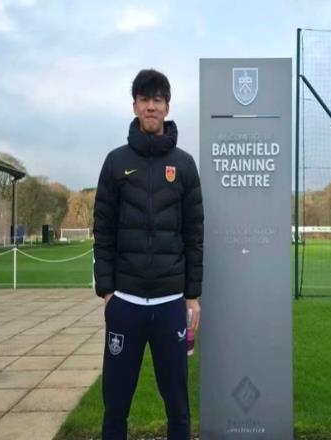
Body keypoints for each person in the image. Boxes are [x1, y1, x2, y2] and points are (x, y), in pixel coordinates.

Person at [93, 68, 204, 440]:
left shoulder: (184, 165)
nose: (151, 107)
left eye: (158, 100)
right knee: (115, 406)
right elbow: (103, 231)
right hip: (125, 303)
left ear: (167, 107)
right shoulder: (115, 162)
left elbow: (194, 234)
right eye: (145, 100)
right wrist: (108, 292)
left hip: (171, 303)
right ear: (135, 105)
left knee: (178, 407)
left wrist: (192, 295)